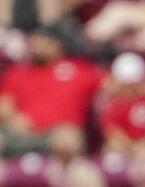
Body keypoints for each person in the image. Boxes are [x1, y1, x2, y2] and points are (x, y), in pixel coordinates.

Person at [0, 23, 99, 159]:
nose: (36, 44)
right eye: (34, 40)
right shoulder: (18, 73)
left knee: (69, 139)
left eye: (42, 40)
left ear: (56, 44)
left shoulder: (79, 70)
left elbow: (114, 87)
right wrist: (13, 118)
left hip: (57, 134)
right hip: (19, 133)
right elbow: (4, 106)